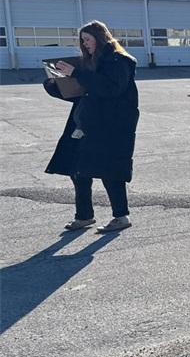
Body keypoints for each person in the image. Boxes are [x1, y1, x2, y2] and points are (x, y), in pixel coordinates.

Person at [44, 20, 140, 232]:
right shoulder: (89, 63)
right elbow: (82, 94)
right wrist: (55, 85)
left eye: (88, 39)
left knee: (110, 171)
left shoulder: (120, 60)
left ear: (100, 37)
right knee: (78, 170)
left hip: (111, 125)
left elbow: (110, 89)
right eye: (82, 40)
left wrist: (76, 73)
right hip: (86, 123)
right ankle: (84, 216)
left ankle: (121, 217)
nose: (85, 44)